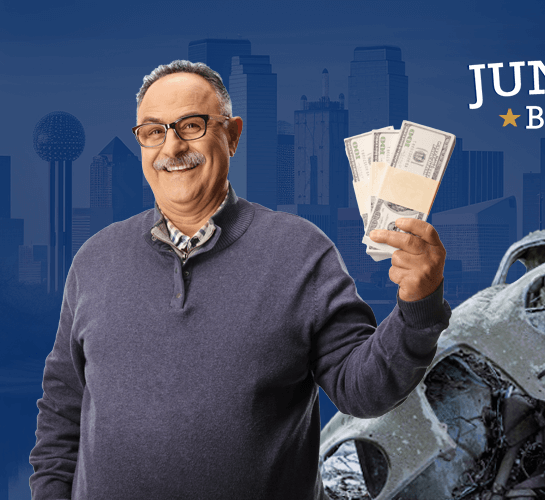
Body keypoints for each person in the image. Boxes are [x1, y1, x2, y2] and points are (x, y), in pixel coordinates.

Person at [29, 60, 450, 499]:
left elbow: (362, 391)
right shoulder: (94, 259)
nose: (171, 148)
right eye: (153, 131)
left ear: (231, 135)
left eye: (190, 125)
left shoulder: (301, 251)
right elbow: (62, 412)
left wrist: (419, 307)